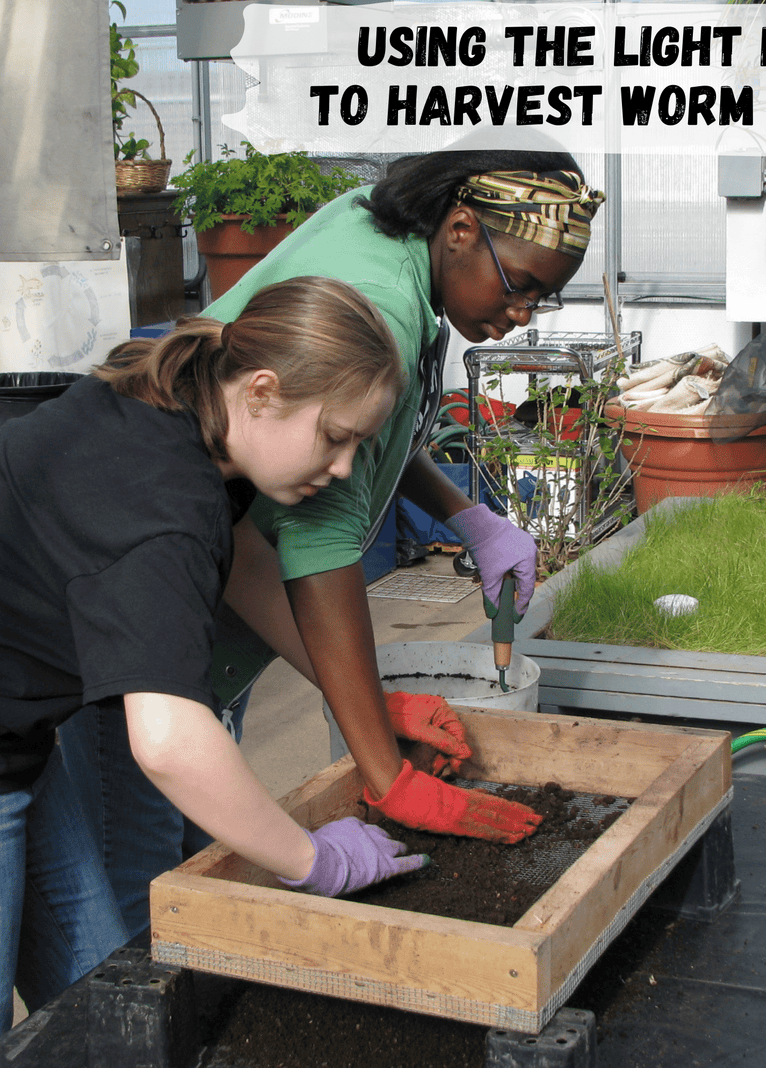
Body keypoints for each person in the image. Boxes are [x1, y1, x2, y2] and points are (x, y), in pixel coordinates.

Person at [60, 147, 603, 937]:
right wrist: (383, 773)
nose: (523, 313)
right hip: (144, 642)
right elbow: (317, 545)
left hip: (215, 604)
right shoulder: (380, 298)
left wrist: (462, 513)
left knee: (189, 848)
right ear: (459, 230)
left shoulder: (385, 235)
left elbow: (349, 433)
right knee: (137, 897)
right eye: (521, 285)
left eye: (543, 301)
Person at [0, 276, 498, 1033]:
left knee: (99, 995)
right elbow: (168, 743)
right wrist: (308, 859)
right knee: (101, 1013)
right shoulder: (164, 506)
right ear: (262, 391)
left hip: (22, 740)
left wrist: (354, 697)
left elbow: (246, 562)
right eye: (336, 437)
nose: (342, 468)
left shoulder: (189, 407)